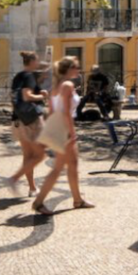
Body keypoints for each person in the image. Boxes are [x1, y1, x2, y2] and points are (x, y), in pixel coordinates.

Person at [31, 57, 94, 216]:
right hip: (64, 128)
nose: (79, 69)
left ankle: (77, 199)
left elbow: (52, 111)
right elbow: (66, 112)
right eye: (76, 67)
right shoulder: (67, 85)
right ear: (69, 69)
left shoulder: (55, 87)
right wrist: (71, 132)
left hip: (58, 127)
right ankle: (39, 202)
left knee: (72, 164)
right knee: (58, 168)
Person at [6, 51, 48, 197]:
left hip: (18, 119)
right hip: (31, 120)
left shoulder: (18, 76)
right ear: (32, 62)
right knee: (41, 154)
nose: (38, 63)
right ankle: (14, 179)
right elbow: (27, 96)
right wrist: (42, 96)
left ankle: (32, 188)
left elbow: (15, 96)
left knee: (28, 155)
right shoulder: (29, 76)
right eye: (37, 61)